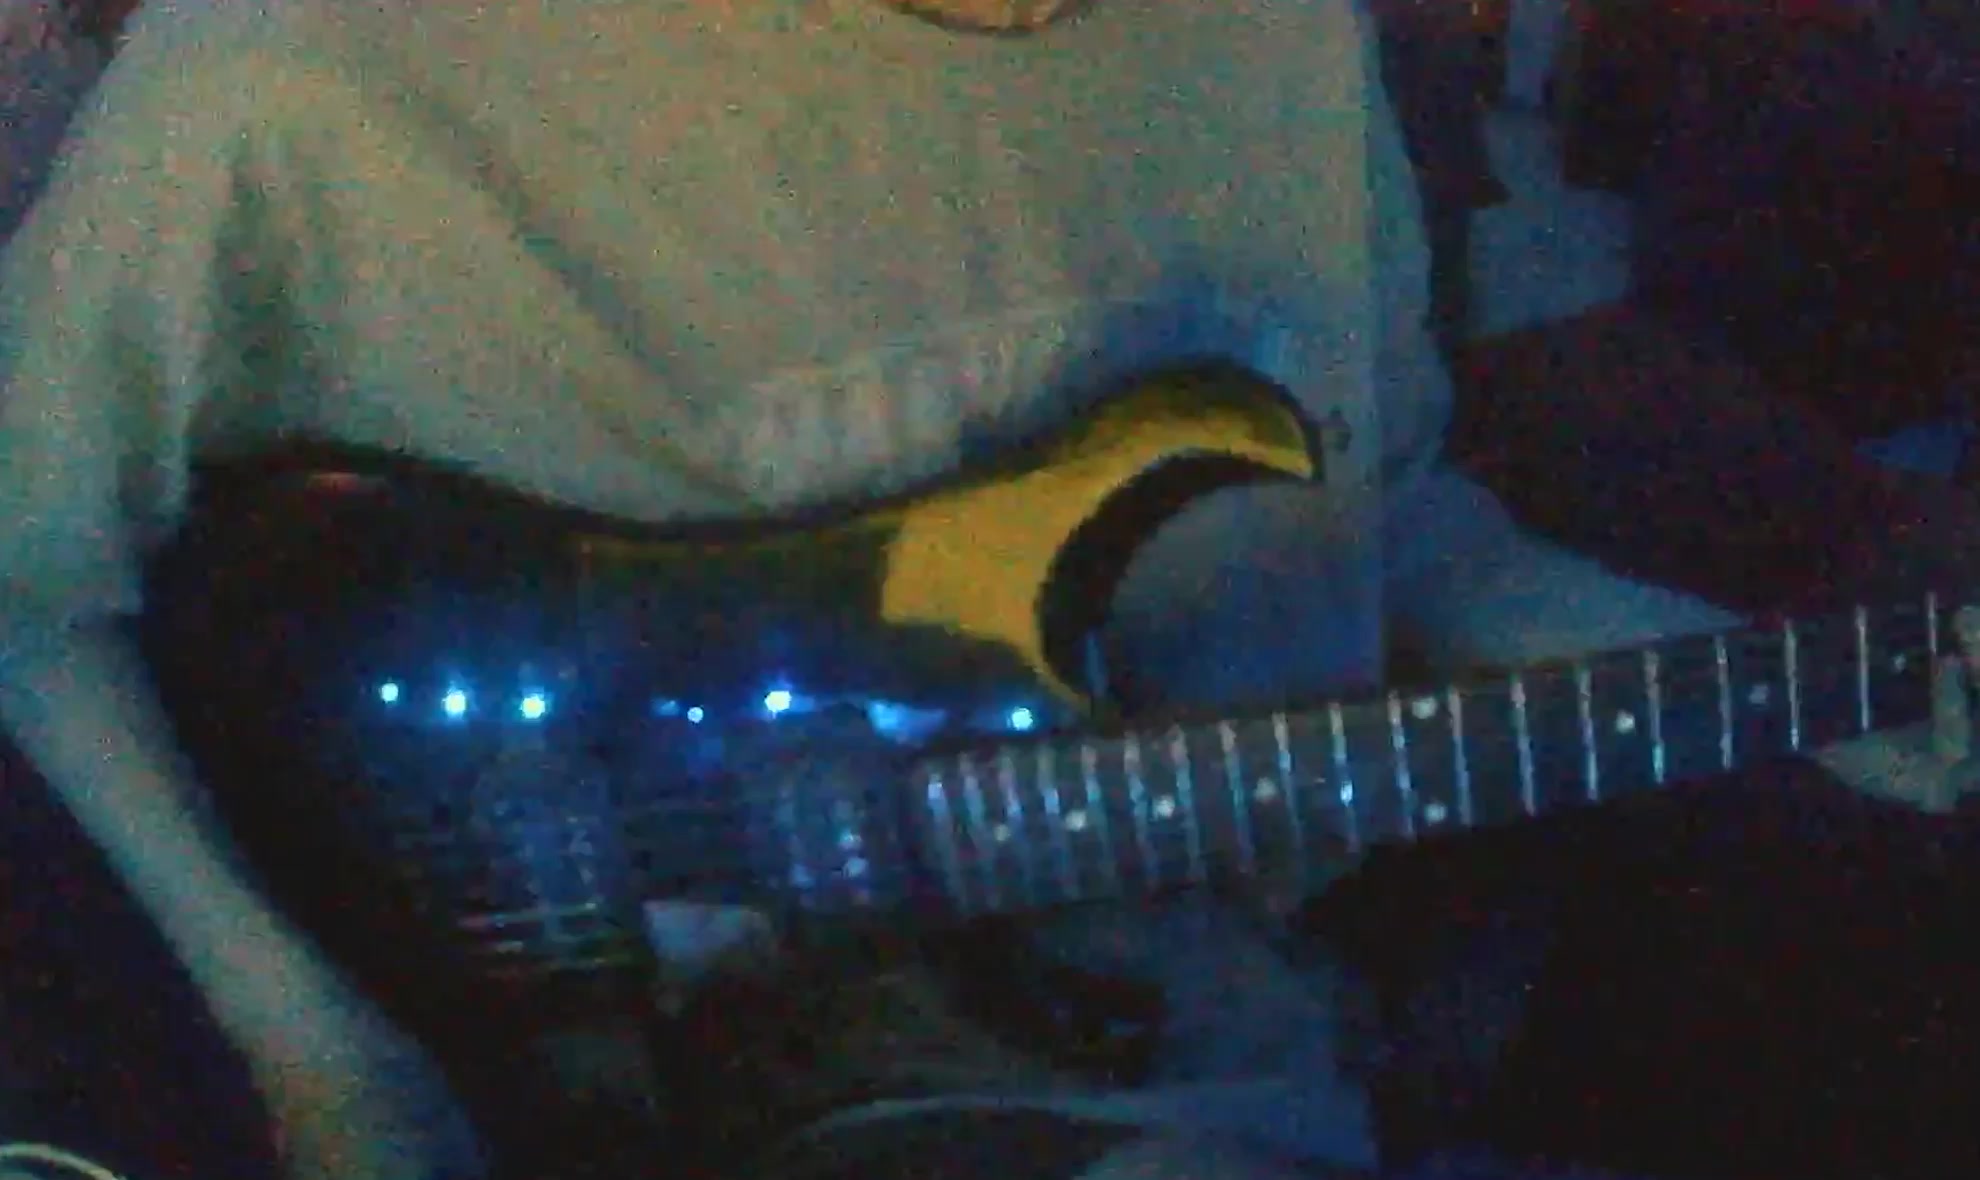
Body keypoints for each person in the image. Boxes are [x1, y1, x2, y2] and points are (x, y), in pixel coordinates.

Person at [1, 2, 1976, 1179]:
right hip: (702, 1091)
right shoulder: (315, 67)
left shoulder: (1279, 33)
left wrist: (1796, 691)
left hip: (1224, 1007)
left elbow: (1387, 523)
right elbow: (23, 568)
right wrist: (306, 1045)